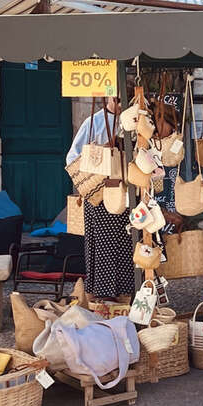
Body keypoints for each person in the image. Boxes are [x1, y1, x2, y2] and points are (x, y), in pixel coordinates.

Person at [66, 96, 134, 301]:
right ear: (108, 98)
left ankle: (125, 294)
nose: (121, 103)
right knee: (102, 247)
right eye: (118, 99)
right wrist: (102, 152)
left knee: (125, 245)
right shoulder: (92, 122)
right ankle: (101, 296)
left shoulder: (132, 121)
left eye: (125, 99)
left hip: (124, 194)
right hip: (99, 196)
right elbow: (72, 158)